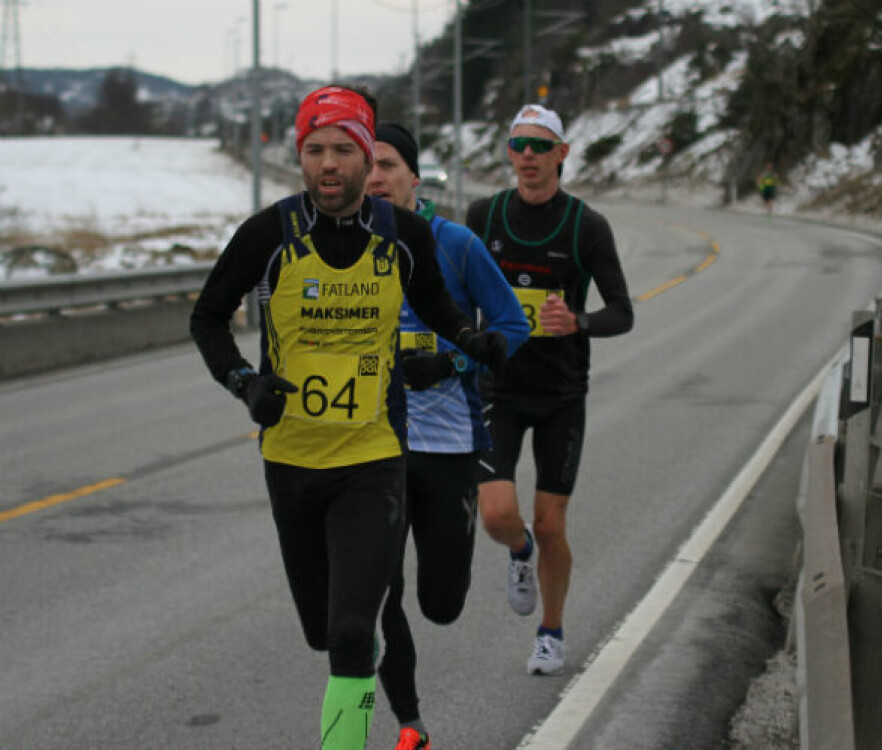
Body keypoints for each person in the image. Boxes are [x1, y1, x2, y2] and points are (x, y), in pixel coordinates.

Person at [189, 85, 507, 750]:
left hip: (373, 456)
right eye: (313, 150)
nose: (327, 164)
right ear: (299, 156)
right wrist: (245, 383)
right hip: (292, 461)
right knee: (321, 630)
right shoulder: (268, 234)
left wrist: (468, 344)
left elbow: (441, 310)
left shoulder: (403, 235)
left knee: (353, 633)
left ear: (368, 159)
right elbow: (207, 318)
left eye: (343, 149)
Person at [365, 121, 529, 750]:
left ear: (412, 174)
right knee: (380, 592)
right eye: (365, 165)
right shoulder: (344, 249)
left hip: (449, 443)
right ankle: (411, 724)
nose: (374, 177)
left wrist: (454, 361)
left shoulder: (454, 243)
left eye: (386, 165)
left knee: (441, 602)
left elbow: (512, 324)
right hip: (372, 449)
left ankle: (510, 552)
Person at [465, 104, 634, 676]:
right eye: (518, 145)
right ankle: (519, 554)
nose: (528, 156)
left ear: (563, 153)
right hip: (499, 388)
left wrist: (578, 322)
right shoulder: (483, 217)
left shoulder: (586, 225)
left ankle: (551, 631)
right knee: (495, 515)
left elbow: (623, 311)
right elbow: (456, 296)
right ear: (508, 154)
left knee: (553, 523)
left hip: (561, 392)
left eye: (540, 145)